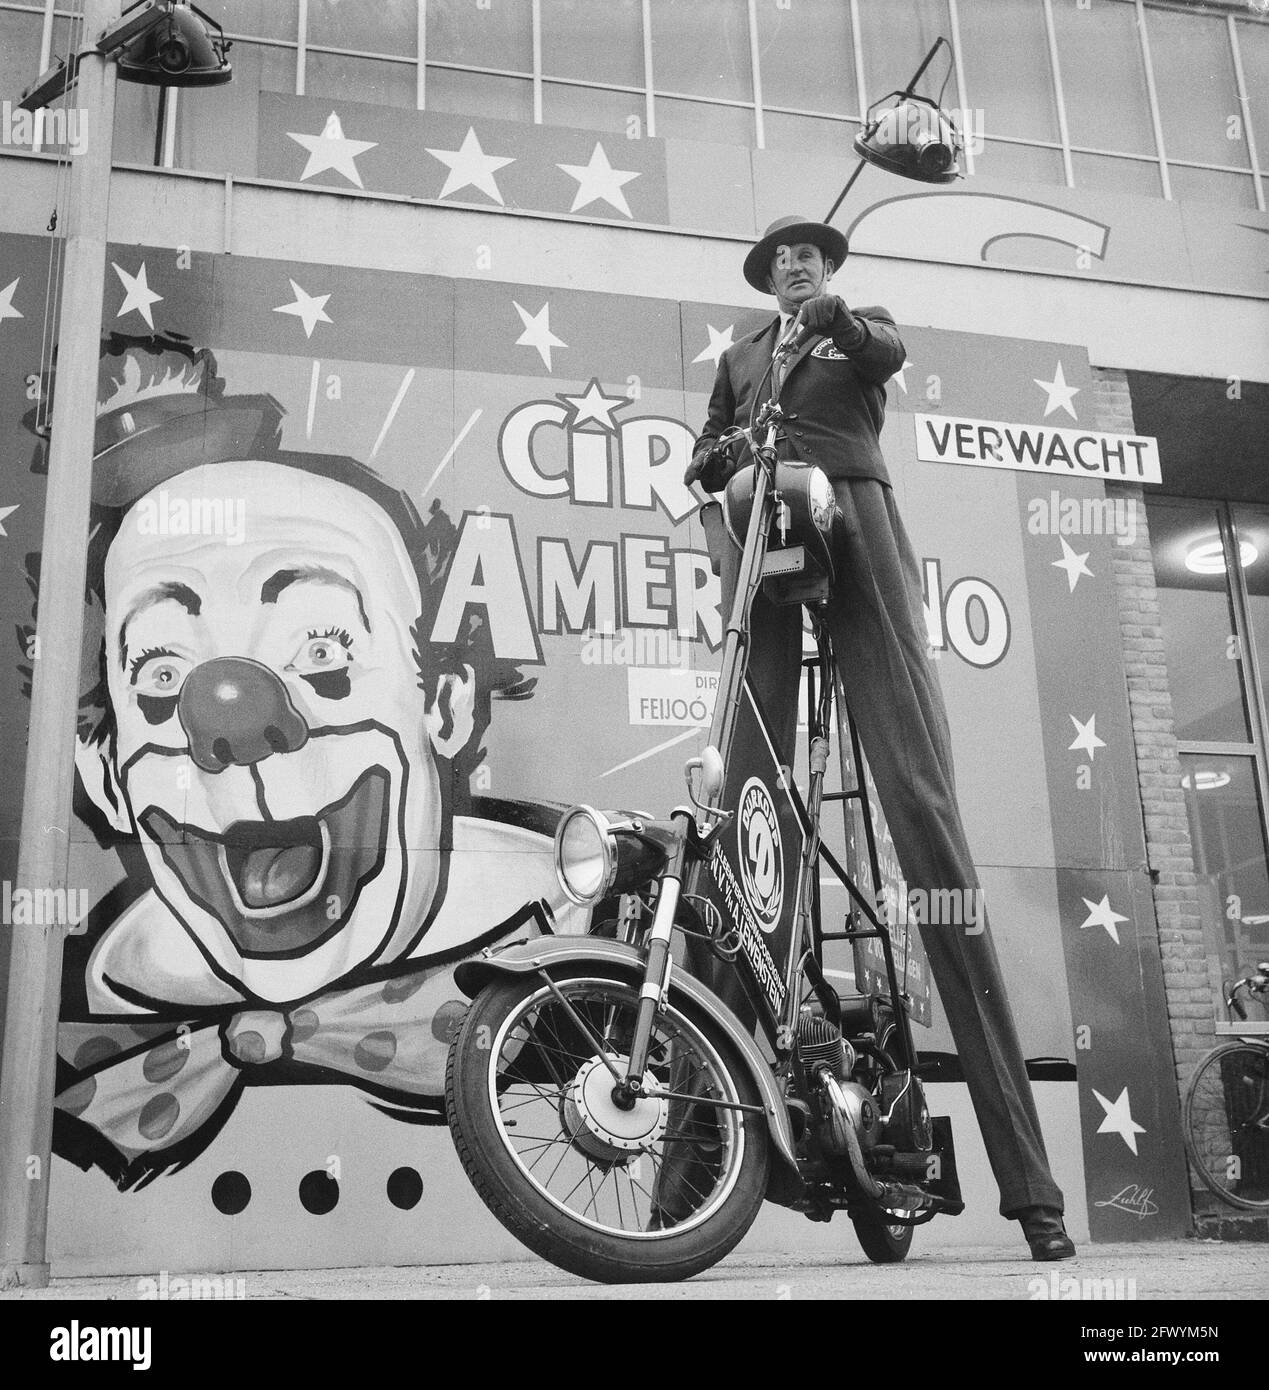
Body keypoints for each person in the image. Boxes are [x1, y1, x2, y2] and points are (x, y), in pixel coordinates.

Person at [38, 333, 587, 1187]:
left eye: (323, 652)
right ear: (107, 775)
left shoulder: (595, 949)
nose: (237, 725)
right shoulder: (79, 1007)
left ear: (443, 704)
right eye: (161, 673)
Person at [684, 215, 1075, 1261]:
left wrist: (836, 320)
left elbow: (883, 356)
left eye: (811, 257)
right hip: (761, 529)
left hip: (853, 514)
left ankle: (1034, 1195)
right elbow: (699, 460)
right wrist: (730, 450)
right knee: (738, 797)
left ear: (827, 271)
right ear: (764, 279)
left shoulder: (859, 327)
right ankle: (689, 1165)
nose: (798, 267)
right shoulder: (741, 358)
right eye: (784, 262)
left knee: (918, 797)